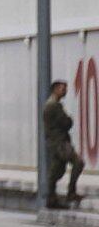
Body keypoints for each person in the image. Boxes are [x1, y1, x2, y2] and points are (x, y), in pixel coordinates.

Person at [50, 81, 81, 211]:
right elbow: (66, 123)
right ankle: (71, 193)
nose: (65, 91)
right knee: (78, 162)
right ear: (55, 89)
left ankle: (51, 199)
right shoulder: (54, 106)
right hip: (60, 143)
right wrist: (69, 120)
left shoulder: (53, 105)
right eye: (63, 89)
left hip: (57, 142)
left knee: (56, 171)